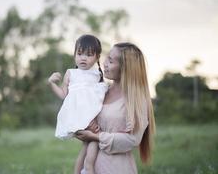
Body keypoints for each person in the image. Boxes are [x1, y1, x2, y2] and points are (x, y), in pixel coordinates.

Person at [75, 42, 156, 174]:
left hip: (115, 168)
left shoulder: (136, 100)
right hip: (88, 166)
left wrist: (96, 137)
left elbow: (132, 140)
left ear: (125, 68)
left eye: (111, 61)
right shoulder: (101, 91)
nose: (105, 63)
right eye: (107, 58)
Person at [48, 34, 108, 174]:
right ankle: (87, 170)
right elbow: (64, 95)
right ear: (74, 54)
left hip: (92, 122)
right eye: (79, 53)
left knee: (86, 153)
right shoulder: (71, 73)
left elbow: (98, 100)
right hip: (78, 119)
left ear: (97, 57)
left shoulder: (97, 76)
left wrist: (95, 119)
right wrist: (51, 83)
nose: (83, 58)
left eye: (88, 55)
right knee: (89, 157)